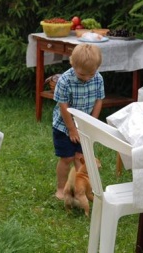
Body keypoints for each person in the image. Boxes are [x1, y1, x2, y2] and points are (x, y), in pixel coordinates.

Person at [52, 43, 105, 200]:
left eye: (91, 73)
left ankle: (81, 189)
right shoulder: (65, 81)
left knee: (80, 158)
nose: (87, 78)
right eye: (82, 75)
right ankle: (61, 188)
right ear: (72, 64)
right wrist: (71, 129)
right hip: (63, 126)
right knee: (67, 158)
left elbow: (99, 101)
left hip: (83, 126)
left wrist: (91, 123)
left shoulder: (98, 78)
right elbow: (63, 106)